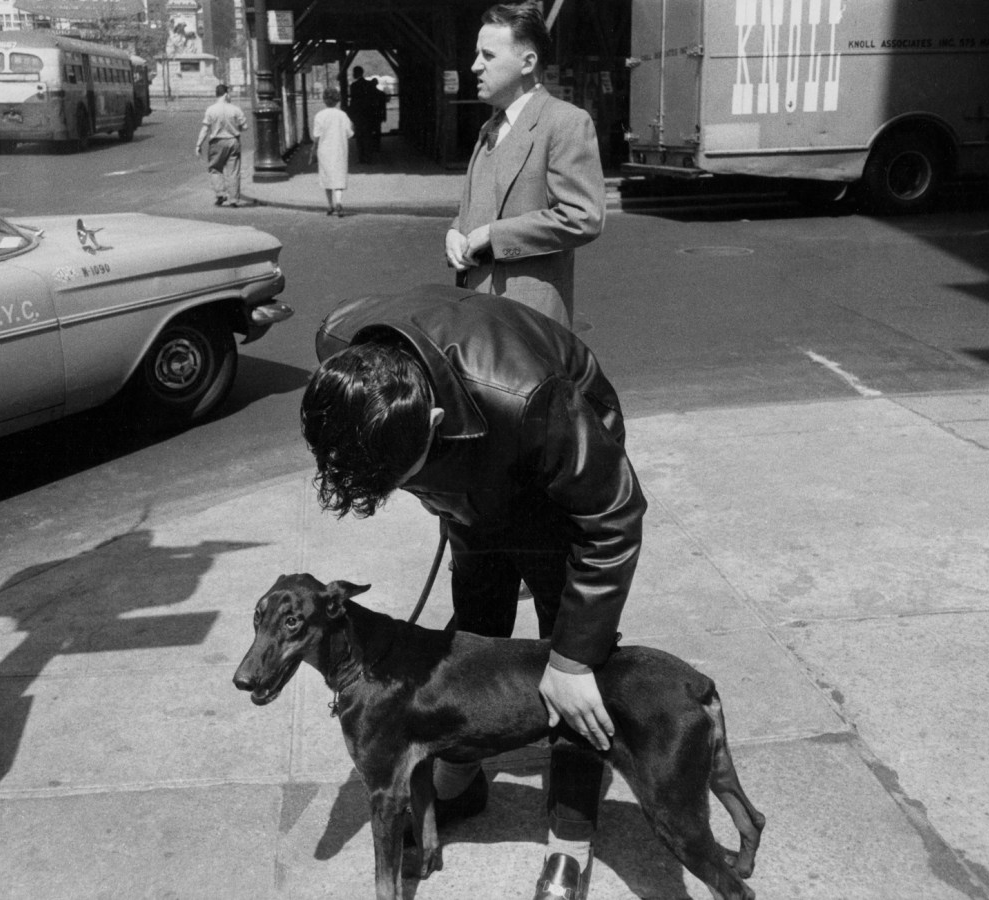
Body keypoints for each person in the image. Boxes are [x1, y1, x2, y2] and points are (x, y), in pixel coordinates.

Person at [301, 285, 646, 900]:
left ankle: (570, 835)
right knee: (476, 627)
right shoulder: (339, 347)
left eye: (401, 482)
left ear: (432, 424)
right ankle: (464, 777)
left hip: (556, 482)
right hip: (470, 480)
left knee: (567, 664)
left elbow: (613, 518)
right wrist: (442, 497)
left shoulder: (533, 397)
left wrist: (572, 657)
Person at [445, 2, 606, 328]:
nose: (475, 66)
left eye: (487, 56)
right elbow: (485, 203)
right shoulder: (489, 128)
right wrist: (454, 230)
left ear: (527, 62)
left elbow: (582, 217)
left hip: (528, 321)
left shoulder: (565, 122)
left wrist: (494, 235)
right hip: (476, 311)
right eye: (478, 55)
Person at [194, 84, 248, 207]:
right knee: (233, 171)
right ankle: (234, 199)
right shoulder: (235, 109)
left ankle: (220, 194)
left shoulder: (210, 109)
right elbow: (245, 127)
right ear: (226, 94)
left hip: (217, 142)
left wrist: (198, 145)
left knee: (215, 169)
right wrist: (234, 127)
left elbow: (205, 129)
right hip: (233, 141)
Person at [309, 86, 354, 217]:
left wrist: (314, 149)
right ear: (337, 100)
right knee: (339, 175)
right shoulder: (343, 115)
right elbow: (349, 133)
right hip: (339, 148)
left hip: (324, 149)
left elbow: (316, 136)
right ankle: (339, 201)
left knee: (326, 177)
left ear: (324, 100)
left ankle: (330, 205)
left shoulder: (319, 115)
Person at [348, 66, 381, 164]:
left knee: (359, 137)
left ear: (356, 73)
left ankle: (361, 158)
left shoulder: (353, 86)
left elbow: (353, 102)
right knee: (368, 136)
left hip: (358, 114)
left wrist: (351, 114)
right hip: (369, 114)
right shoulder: (369, 84)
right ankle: (368, 157)